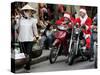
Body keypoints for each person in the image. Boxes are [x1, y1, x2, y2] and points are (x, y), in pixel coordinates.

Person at [15, 4, 39, 70]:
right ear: (24, 12)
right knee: (23, 54)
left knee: (28, 53)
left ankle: (28, 67)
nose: (29, 13)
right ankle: (25, 64)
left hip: (30, 39)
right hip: (21, 39)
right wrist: (17, 21)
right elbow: (15, 28)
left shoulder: (33, 20)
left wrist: (37, 37)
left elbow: (35, 29)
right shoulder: (20, 20)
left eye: (30, 11)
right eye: (28, 11)